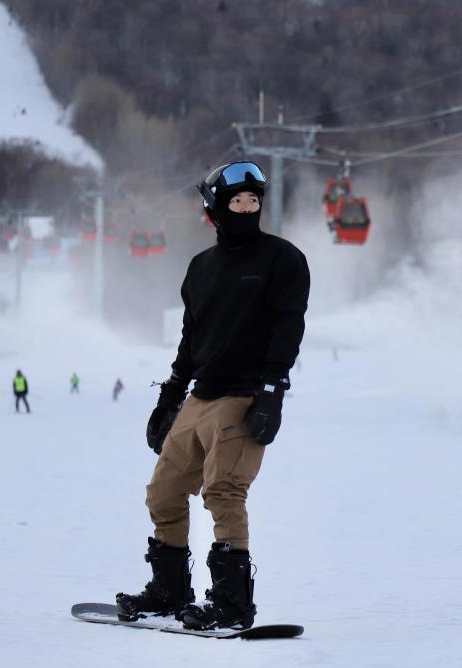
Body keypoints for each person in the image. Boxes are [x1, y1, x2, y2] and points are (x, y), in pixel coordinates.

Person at [115, 161, 310, 631]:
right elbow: (190, 342)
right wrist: (170, 397)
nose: (246, 209)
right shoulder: (201, 268)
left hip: (243, 397)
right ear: (215, 210)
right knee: (163, 492)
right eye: (236, 203)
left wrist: (271, 392)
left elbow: (288, 329)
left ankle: (231, 602)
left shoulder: (282, 259)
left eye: (253, 202)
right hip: (201, 397)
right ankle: (168, 590)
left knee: (224, 492)